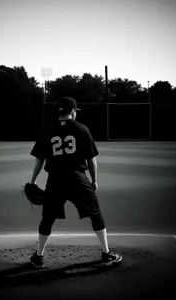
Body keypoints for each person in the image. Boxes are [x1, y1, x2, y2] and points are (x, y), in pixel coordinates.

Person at [28, 96, 122, 267]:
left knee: (48, 217)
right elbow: (91, 159)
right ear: (72, 111)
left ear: (59, 112)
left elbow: (39, 160)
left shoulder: (47, 130)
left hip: (55, 180)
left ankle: (39, 257)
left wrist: (33, 181)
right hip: (77, 178)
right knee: (95, 213)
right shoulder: (81, 129)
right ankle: (106, 254)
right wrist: (94, 180)